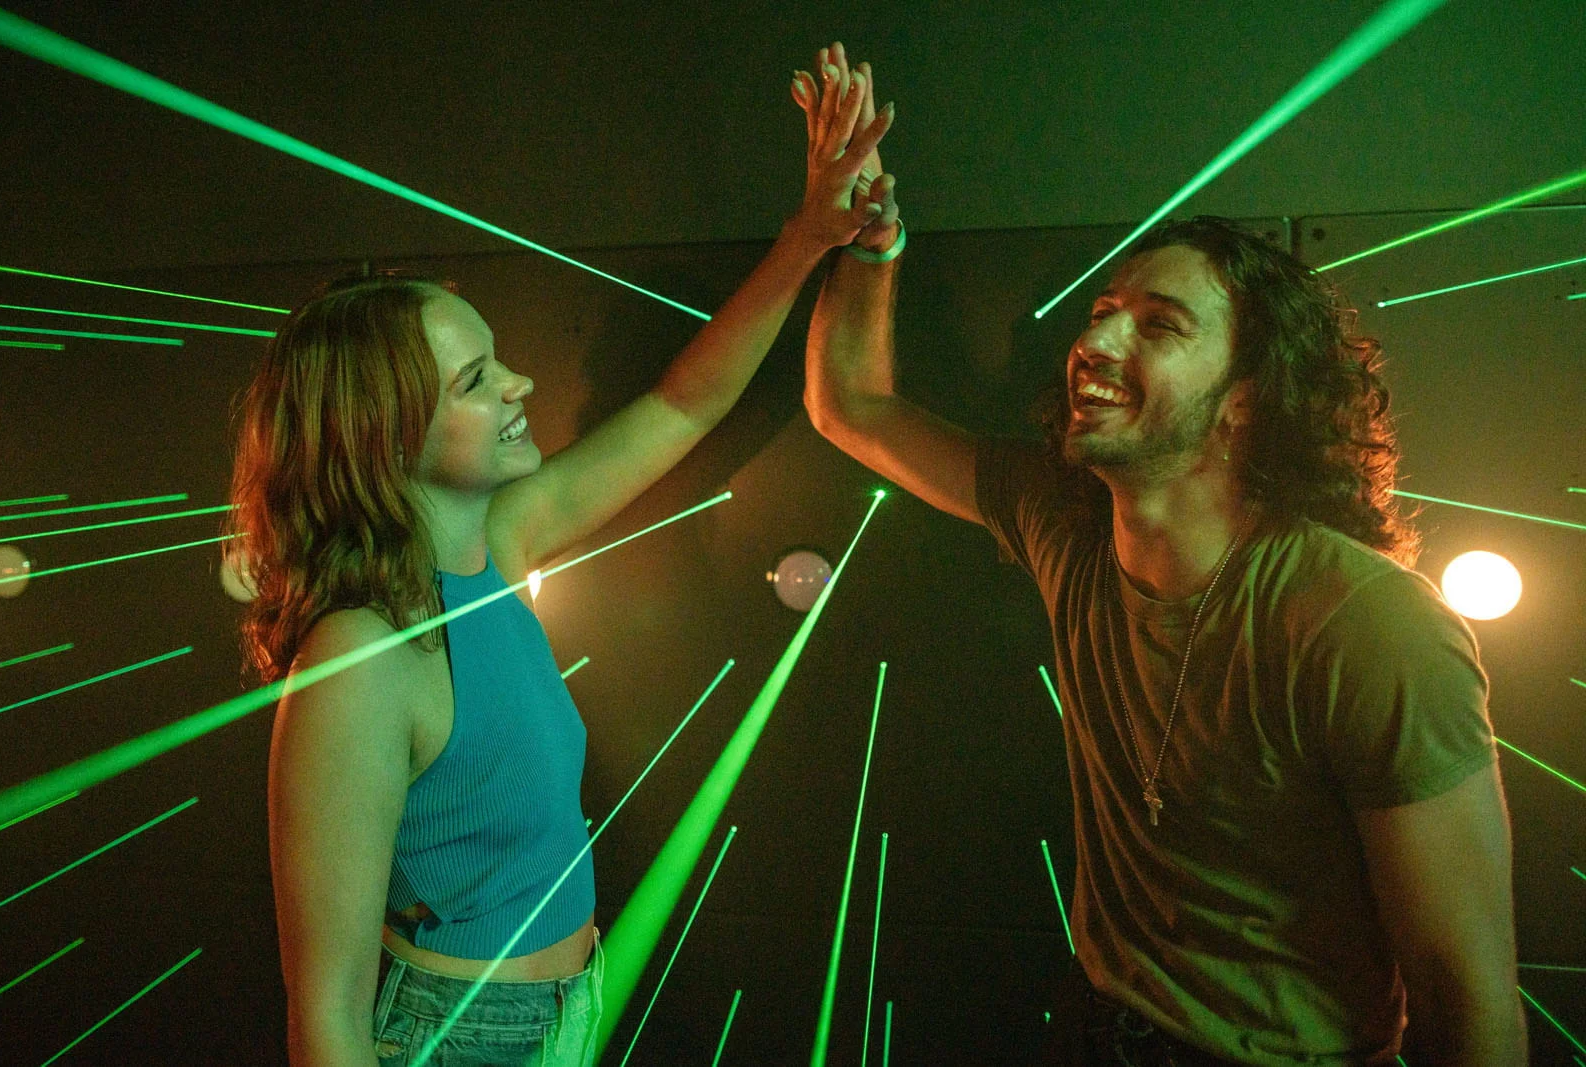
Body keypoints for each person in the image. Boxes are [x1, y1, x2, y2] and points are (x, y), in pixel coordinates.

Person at [798, 49, 1526, 1066]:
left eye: (1159, 326)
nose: (1096, 345)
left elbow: (1465, 994)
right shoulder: (1067, 523)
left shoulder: (1368, 621)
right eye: (1103, 314)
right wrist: (869, 241)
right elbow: (850, 406)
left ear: (1245, 402)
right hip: (1095, 1030)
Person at [230, 59, 895, 1067]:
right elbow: (325, 1018)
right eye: (476, 378)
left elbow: (686, 404)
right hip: (457, 1039)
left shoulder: (497, 544)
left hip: (564, 1011)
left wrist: (810, 236)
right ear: (385, 433)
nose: (519, 384)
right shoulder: (360, 659)